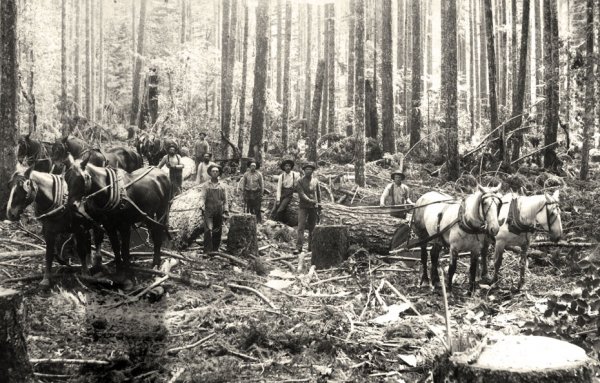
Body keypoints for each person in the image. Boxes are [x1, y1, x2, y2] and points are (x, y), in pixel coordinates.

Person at [199, 164, 229, 253]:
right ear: (210, 173)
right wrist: (201, 205)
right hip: (208, 209)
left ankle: (215, 250)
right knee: (208, 229)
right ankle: (207, 250)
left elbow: (225, 199)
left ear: (219, 173)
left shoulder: (223, 186)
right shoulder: (206, 185)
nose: (215, 173)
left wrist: (226, 210)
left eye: (216, 171)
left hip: (219, 209)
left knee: (217, 230)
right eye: (213, 171)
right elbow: (202, 197)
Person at [295, 162, 321, 254]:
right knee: (301, 226)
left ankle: (311, 247)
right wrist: (310, 200)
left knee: (312, 228)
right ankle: (299, 247)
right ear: (304, 171)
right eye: (307, 169)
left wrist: (319, 206)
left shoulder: (316, 181)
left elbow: (318, 194)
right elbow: (301, 194)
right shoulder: (300, 181)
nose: (308, 171)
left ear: (313, 171)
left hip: (313, 207)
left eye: (310, 169)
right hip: (303, 206)